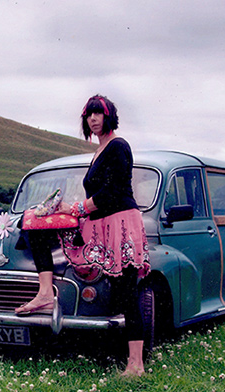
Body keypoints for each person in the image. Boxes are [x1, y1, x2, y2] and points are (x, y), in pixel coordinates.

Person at [15, 94, 151, 377]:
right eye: (89, 115)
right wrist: (67, 208)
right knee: (35, 226)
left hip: (120, 224)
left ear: (108, 116)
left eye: (98, 113)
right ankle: (45, 295)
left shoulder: (118, 146)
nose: (93, 119)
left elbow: (112, 192)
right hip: (98, 222)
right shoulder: (99, 151)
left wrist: (77, 208)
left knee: (126, 293)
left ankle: (136, 364)